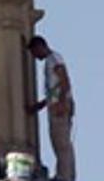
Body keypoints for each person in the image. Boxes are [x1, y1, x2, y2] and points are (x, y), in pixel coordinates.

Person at [26, 36, 76, 181]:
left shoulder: (53, 59)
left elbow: (64, 81)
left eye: (34, 53)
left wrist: (61, 103)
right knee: (62, 143)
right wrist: (38, 106)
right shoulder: (52, 60)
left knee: (61, 144)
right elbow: (53, 91)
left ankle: (63, 176)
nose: (35, 57)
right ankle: (68, 175)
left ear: (39, 47)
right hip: (57, 104)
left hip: (59, 106)